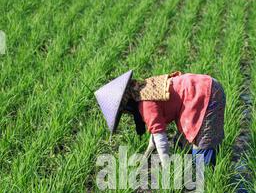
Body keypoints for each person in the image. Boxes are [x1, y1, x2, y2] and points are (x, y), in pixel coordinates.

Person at [94, 70, 226, 168]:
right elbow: (155, 133)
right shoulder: (143, 89)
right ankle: (196, 170)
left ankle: (208, 177)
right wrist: (148, 153)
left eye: (125, 111)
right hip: (203, 86)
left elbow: (160, 138)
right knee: (182, 142)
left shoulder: (145, 104)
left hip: (203, 94)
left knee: (201, 141)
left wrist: (166, 167)